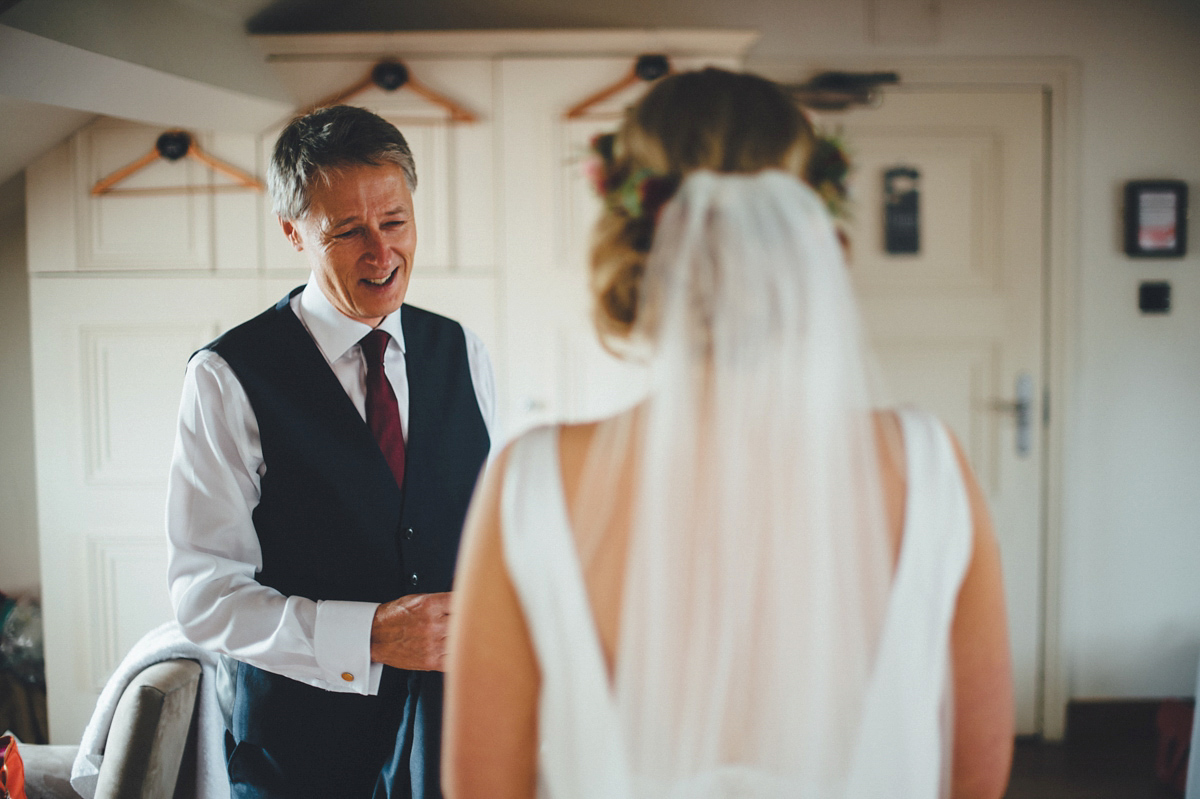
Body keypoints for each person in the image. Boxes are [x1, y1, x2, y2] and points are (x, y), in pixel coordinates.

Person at [443, 68, 1014, 799]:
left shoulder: (532, 481)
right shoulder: (928, 466)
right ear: (815, 230)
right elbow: (976, 775)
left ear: (633, 230)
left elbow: (483, 787)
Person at [166, 105, 494, 799]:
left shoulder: (463, 351)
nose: (382, 253)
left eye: (395, 222)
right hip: (298, 755)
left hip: (456, 739)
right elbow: (204, 594)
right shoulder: (226, 376)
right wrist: (366, 634)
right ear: (294, 233)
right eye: (348, 231)